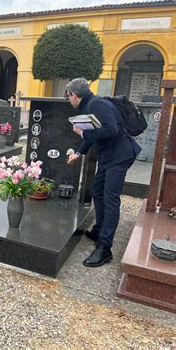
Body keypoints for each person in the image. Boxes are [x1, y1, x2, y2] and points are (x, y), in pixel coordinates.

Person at [65, 78, 141, 267]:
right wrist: (79, 152)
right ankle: (100, 229)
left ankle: (105, 248)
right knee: (97, 191)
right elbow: (93, 133)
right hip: (108, 157)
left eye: (68, 97)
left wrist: (81, 134)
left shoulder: (97, 104)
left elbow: (111, 130)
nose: (69, 100)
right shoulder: (89, 105)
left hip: (120, 156)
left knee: (110, 199)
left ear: (74, 95)